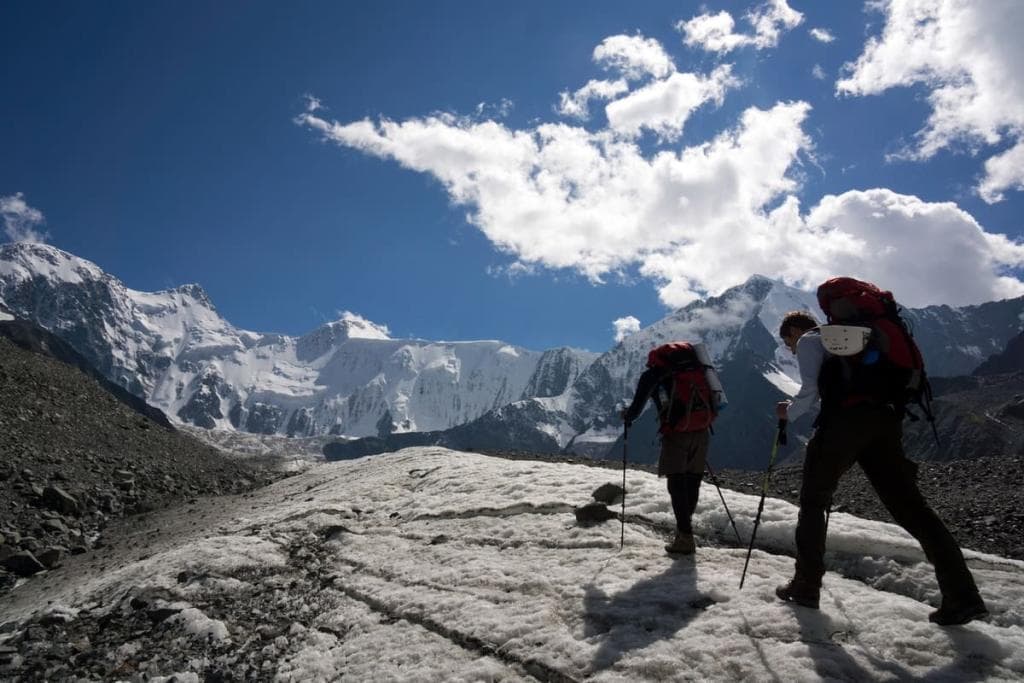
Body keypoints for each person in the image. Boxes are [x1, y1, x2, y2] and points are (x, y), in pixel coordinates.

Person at [773, 310, 988, 625]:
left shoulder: (810, 340)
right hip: (885, 422)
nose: (791, 349)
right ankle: (963, 596)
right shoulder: (858, 340)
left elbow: (808, 393)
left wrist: (787, 413)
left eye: (787, 342)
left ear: (794, 330)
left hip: (843, 424)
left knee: (813, 502)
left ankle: (806, 586)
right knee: (912, 508)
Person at [622, 343, 715, 555]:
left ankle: (685, 537)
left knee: (676, 482)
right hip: (702, 430)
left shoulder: (653, 374)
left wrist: (627, 416)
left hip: (677, 433)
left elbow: (637, 407)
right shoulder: (697, 369)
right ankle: (685, 531)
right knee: (692, 480)